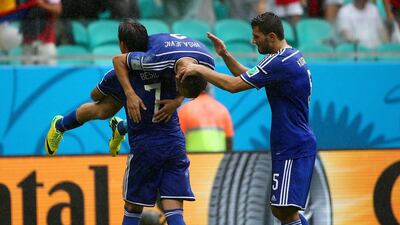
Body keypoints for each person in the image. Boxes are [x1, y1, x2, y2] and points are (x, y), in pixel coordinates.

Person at [45, 18, 214, 225]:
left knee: (103, 109)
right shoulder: (159, 67)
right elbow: (99, 89)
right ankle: (61, 125)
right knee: (104, 110)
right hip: (167, 141)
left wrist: (177, 101)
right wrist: (128, 94)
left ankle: (120, 126)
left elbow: (192, 81)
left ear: (123, 45)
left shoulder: (169, 66)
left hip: (152, 142)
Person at [177, 12, 316, 225]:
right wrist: (224, 54)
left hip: (293, 144)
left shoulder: (279, 62)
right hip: (291, 142)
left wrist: (199, 69)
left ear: (271, 36)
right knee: (282, 211)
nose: (252, 41)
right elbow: (246, 76)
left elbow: (234, 86)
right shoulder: (290, 57)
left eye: (256, 36)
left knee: (285, 210)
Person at [178, 84, 234, 152]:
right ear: (210, 90)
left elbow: (178, 140)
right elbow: (229, 140)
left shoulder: (185, 109)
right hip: (217, 159)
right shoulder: (222, 109)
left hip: (193, 159)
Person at [21, 0, 62, 64]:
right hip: (27, 42)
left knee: (50, 72)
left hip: (46, 42)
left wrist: (41, 4)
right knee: (27, 72)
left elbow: (57, 10)